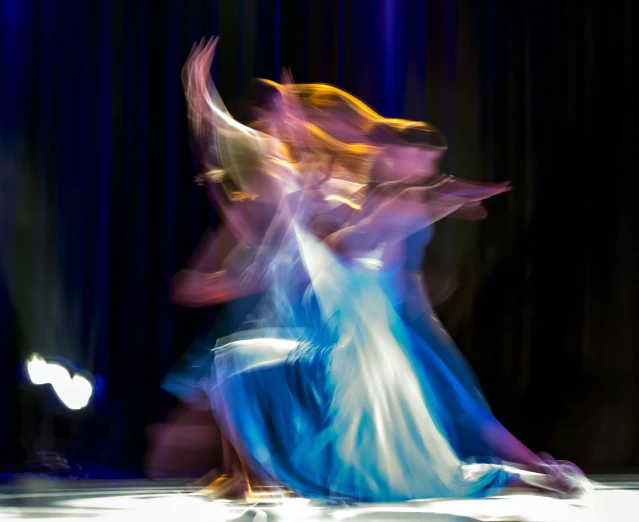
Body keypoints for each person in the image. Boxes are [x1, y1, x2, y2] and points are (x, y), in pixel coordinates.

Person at [155, 38, 587, 502]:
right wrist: (200, 94)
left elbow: (397, 207)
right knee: (230, 365)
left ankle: (537, 477)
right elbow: (230, 142)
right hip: (325, 350)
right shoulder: (307, 181)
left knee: (410, 473)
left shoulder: (359, 200)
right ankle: (249, 479)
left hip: (351, 363)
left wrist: (203, 96)